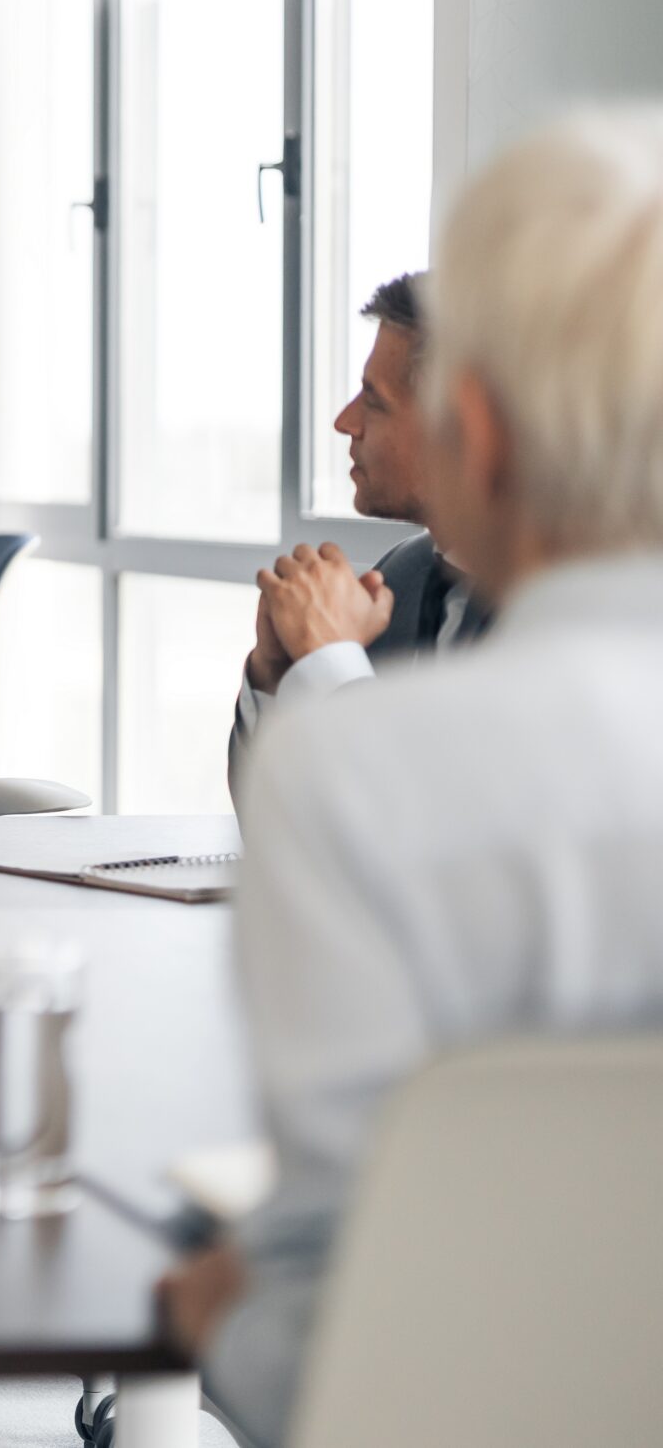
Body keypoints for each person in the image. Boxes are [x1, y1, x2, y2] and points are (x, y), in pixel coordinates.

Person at [163, 108, 663, 1444]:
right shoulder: (408, 609)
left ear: (482, 432)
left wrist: (221, 1310)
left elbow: (340, 1352)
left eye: (380, 400)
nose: (346, 419)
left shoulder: (374, 777)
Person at [231, 274, 491, 767]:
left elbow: (429, 832)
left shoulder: (558, 625)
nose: (345, 422)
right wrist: (277, 673)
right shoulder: (400, 574)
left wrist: (329, 659)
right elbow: (276, 823)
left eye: (374, 400)